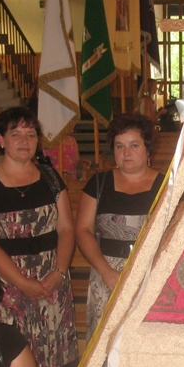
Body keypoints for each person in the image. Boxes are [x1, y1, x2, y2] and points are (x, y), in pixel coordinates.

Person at [0, 107, 79, 367]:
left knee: (56, 354)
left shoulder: (50, 177)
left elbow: (67, 228)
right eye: (16, 134)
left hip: (52, 278)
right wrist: (22, 283)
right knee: (15, 356)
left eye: (30, 134)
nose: (24, 141)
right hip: (8, 282)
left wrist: (59, 272)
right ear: (1, 139)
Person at [75, 113, 163, 340]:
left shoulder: (167, 185)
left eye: (134, 145)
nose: (126, 152)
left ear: (148, 148)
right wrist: (107, 273)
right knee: (107, 343)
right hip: (106, 275)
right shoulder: (98, 183)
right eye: (119, 146)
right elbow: (83, 230)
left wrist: (152, 274)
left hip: (152, 276)